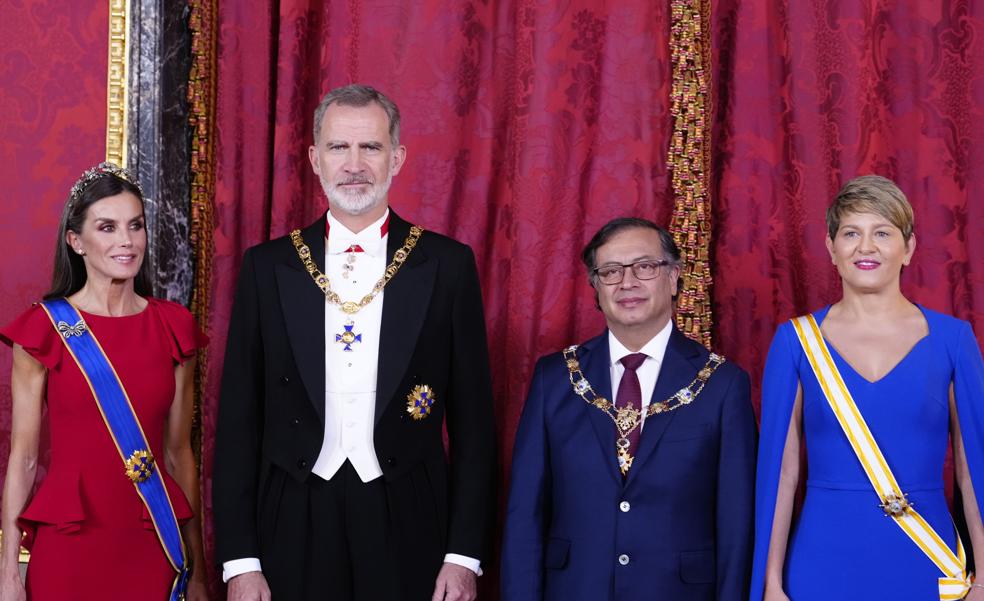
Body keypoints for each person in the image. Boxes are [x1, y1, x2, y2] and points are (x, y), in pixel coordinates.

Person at [212, 84, 496, 601]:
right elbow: (237, 421)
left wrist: (463, 555)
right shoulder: (268, 266)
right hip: (293, 511)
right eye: (340, 147)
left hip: (408, 507)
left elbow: (475, 424)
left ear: (398, 158)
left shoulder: (448, 266)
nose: (355, 164)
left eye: (371, 147)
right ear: (315, 159)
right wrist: (239, 560)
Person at [750, 175, 984, 600]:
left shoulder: (954, 340)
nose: (866, 247)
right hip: (823, 558)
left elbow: (974, 472)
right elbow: (781, 474)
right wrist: (771, 584)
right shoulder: (795, 342)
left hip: (925, 555)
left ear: (908, 248)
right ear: (831, 248)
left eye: (882, 233)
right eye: (851, 233)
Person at [501, 217, 757, 601]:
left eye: (645, 267)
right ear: (595, 288)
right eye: (610, 271)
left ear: (673, 278)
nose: (627, 282)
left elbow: (737, 524)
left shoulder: (722, 384)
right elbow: (525, 515)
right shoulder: (554, 378)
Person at [0, 163, 209, 601]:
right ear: (76, 241)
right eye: (107, 227)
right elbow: (22, 458)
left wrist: (199, 572)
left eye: (135, 226)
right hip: (69, 540)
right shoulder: (44, 329)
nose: (126, 241)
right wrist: (8, 576)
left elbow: (179, 454)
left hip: (151, 537)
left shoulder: (173, 328)